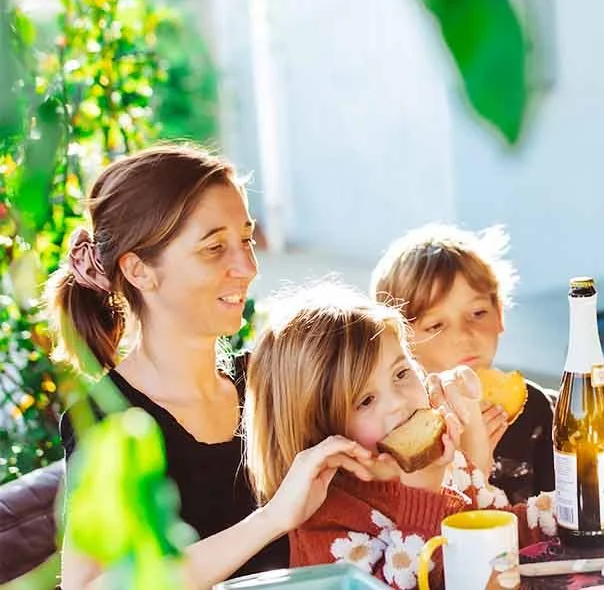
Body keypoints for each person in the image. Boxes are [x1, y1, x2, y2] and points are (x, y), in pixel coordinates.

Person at [45, 145, 372, 590]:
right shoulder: (108, 422)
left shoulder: (263, 380)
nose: (247, 267)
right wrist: (272, 518)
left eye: (246, 240)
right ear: (140, 271)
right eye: (214, 247)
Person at [243, 285, 535, 578]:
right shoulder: (327, 521)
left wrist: (558, 512)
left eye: (401, 373)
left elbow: (502, 529)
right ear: (319, 431)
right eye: (366, 400)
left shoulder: (445, 461)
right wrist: (422, 493)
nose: (398, 403)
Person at [372, 223, 556, 506]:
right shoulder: (400, 428)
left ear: (500, 315)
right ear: (400, 343)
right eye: (435, 325)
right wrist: (466, 466)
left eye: (478, 312)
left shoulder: (537, 409)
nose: (463, 336)